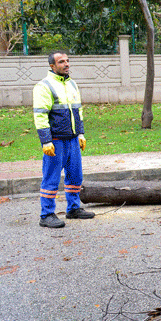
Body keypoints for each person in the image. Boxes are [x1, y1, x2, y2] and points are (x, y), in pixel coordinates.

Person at [33, 51, 95, 228]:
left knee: (75, 176)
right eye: (61, 62)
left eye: (67, 61)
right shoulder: (44, 86)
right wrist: (46, 141)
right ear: (52, 66)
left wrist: (81, 134)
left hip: (73, 140)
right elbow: (40, 116)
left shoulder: (72, 84)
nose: (66, 64)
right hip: (56, 141)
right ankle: (46, 215)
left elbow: (78, 111)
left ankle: (73, 209)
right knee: (51, 178)